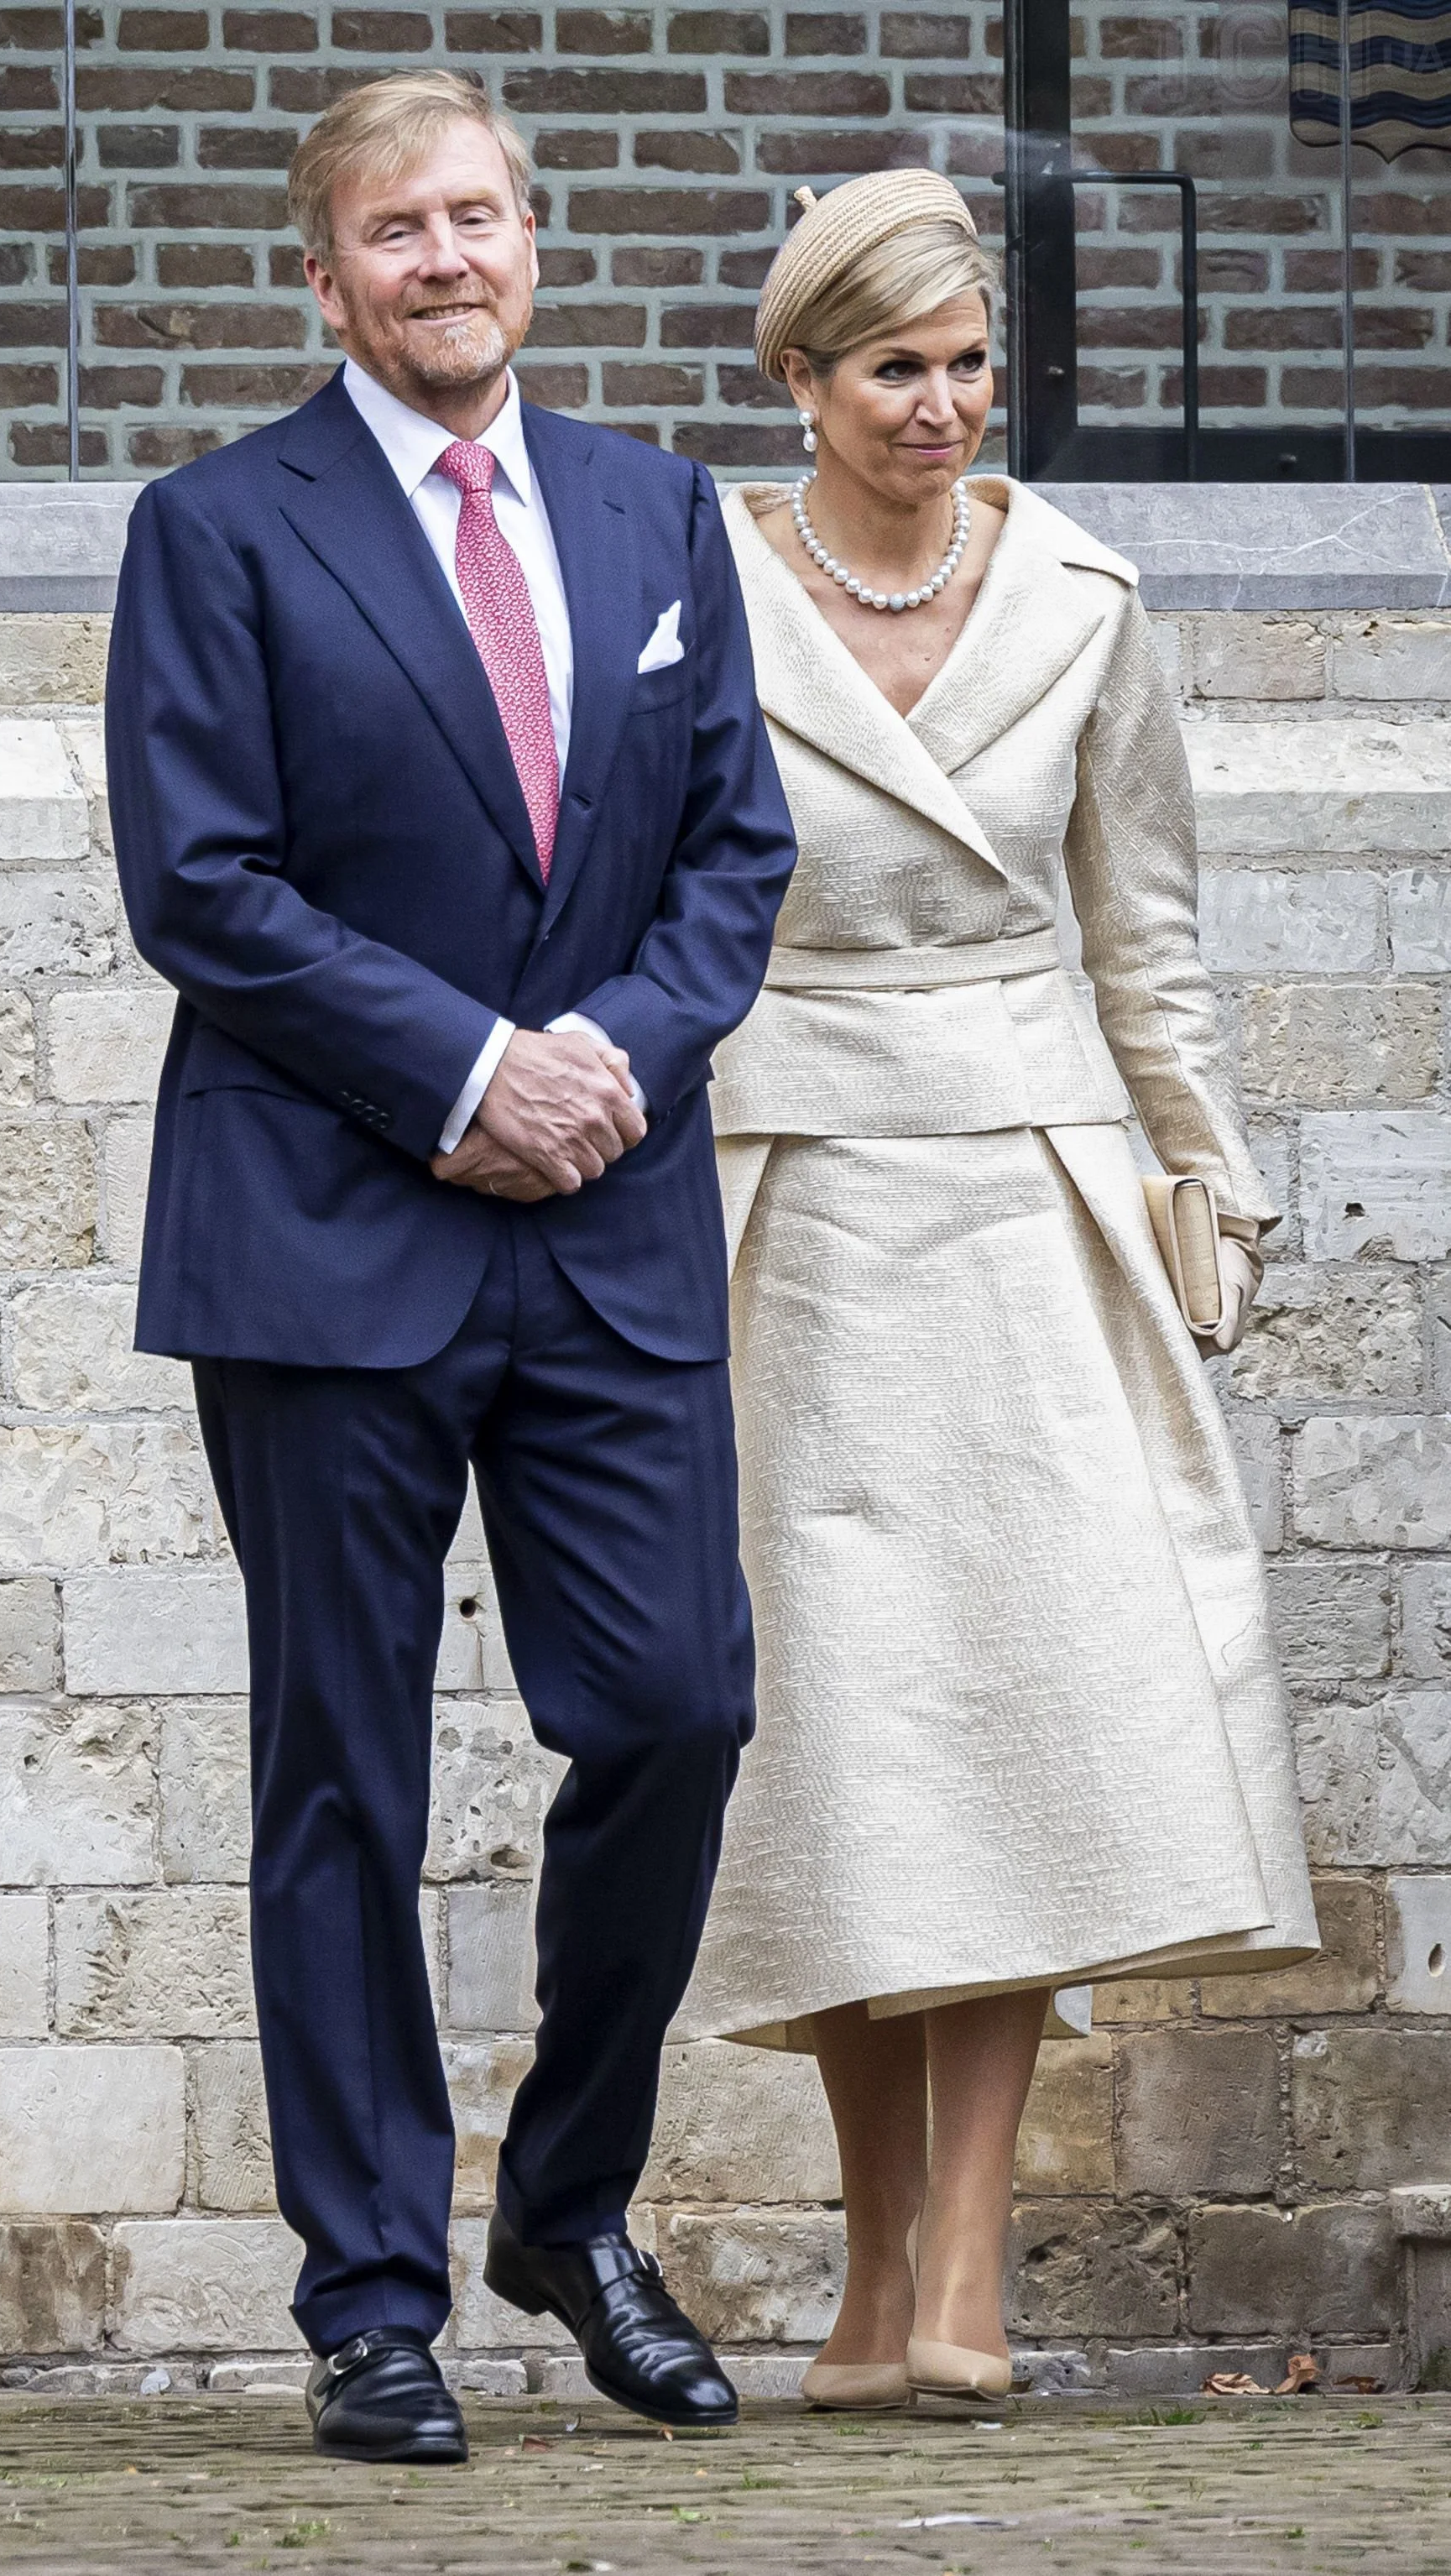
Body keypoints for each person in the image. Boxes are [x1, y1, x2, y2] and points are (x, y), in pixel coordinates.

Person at [104, 71, 796, 2464]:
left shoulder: (654, 505)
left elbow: (736, 851)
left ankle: (564, 2202)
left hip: (604, 1225)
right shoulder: (213, 529)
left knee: (680, 1702)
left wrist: (595, 1052)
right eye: (393, 229)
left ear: (534, 245)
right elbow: (199, 880)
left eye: (477, 216)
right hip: (325, 1233)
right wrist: (461, 1067)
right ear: (327, 277)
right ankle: (370, 2293)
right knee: (343, 1778)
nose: (443, 257)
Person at [680, 169, 1318, 2415]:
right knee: (842, 1750)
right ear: (798, 379)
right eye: (893, 370)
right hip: (789, 1200)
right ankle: (869, 2286)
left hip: (1030, 1199)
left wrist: (1205, 1180)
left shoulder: (1078, 595)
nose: (940, 407)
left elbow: (1142, 926)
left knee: (1018, 1725)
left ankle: (959, 2280)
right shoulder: (702, 595)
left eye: (967, 364)